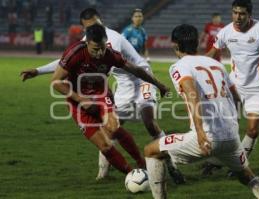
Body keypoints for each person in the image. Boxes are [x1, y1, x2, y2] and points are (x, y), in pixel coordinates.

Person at [20, 8, 185, 184]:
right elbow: (65, 61)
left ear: (101, 22)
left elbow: (134, 68)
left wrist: (157, 84)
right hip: (122, 84)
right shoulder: (88, 41)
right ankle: (107, 174)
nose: (92, 29)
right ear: (85, 29)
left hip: (141, 79)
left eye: (95, 24)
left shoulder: (108, 41)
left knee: (149, 122)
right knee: (111, 130)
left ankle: (170, 166)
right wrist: (38, 71)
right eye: (88, 27)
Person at [144, 24, 259, 199]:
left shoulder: (179, 66)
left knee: (151, 151)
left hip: (206, 138)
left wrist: (200, 132)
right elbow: (236, 98)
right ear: (198, 42)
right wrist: (231, 124)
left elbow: (192, 94)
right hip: (231, 137)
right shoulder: (216, 64)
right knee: (247, 176)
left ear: (175, 45)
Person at [51, 24, 168, 177]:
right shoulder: (75, 53)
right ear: (87, 44)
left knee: (114, 128)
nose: (99, 53)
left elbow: (137, 70)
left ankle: (141, 163)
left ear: (106, 42)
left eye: (102, 48)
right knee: (105, 146)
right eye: (95, 49)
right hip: (76, 101)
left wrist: (158, 85)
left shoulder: (111, 54)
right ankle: (131, 175)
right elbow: (56, 82)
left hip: (101, 94)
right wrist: (81, 99)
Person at [204, 0, 259, 173]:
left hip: (257, 89)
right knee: (226, 127)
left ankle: (238, 164)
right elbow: (212, 53)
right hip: (233, 87)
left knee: (252, 130)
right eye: (235, 13)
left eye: (242, 13)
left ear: (249, 15)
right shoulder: (225, 32)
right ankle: (215, 162)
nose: (238, 17)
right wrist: (193, 64)